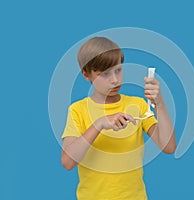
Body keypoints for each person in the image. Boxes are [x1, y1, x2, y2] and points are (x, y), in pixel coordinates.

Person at [61, 37, 176, 200]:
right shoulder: (77, 110)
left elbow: (169, 146)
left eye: (118, 70)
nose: (115, 79)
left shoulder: (138, 105)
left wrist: (160, 104)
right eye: (105, 74)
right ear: (86, 75)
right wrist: (99, 124)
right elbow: (68, 162)